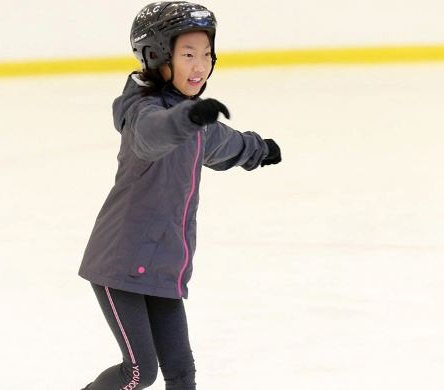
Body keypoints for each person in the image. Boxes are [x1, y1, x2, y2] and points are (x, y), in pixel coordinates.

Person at [78, 2, 281, 389]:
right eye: (188, 54)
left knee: (182, 372)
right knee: (138, 373)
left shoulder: (195, 121)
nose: (200, 65)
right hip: (120, 263)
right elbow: (153, 135)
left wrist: (259, 149)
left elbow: (225, 143)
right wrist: (187, 119)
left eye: (206, 54)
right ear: (156, 57)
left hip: (163, 265)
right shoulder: (142, 111)